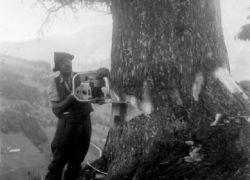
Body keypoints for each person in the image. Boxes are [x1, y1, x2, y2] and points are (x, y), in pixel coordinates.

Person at [45, 52, 93, 180]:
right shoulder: (54, 83)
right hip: (67, 125)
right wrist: (71, 98)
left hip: (84, 123)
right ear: (58, 67)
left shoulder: (81, 77)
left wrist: (101, 74)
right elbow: (57, 110)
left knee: (77, 161)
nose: (68, 64)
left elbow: (97, 94)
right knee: (58, 162)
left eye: (69, 61)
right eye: (63, 62)